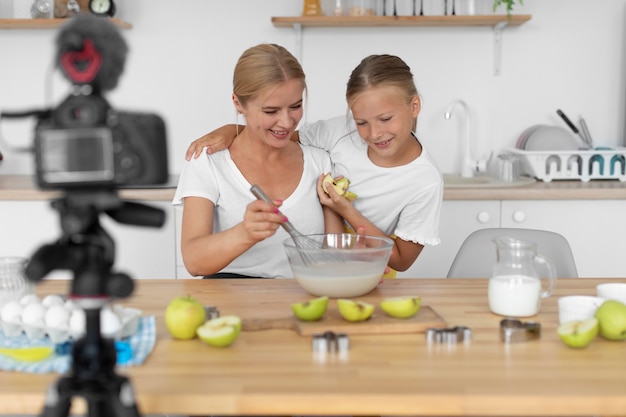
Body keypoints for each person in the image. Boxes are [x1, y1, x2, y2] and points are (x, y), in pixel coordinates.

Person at [186, 54, 443, 275]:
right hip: (329, 262)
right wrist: (233, 128)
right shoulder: (339, 134)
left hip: (371, 267)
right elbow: (281, 134)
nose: (374, 134)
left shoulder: (425, 182)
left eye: (385, 118)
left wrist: (344, 209)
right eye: (361, 122)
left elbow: (401, 259)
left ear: (415, 106)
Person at [173, 43, 344, 279]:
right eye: (271, 111)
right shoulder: (208, 162)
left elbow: (332, 258)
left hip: (302, 303)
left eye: (295, 106)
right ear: (238, 103)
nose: (286, 122)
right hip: (229, 306)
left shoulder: (320, 162)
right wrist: (245, 232)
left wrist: (359, 260)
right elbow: (194, 260)